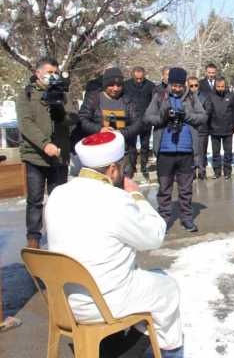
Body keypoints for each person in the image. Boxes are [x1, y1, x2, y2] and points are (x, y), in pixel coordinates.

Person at [45, 131, 183, 357]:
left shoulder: (57, 194)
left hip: (65, 301)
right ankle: (170, 353)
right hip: (104, 303)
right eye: (122, 165)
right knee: (167, 288)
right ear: (112, 169)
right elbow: (155, 236)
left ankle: (119, 349)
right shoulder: (116, 200)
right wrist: (136, 196)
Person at [16, 57, 78, 249]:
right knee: (35, 200)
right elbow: (26, 123)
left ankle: (59, 235)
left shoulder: (63, 93)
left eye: (55, 72)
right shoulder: (26, 94)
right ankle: (33, 237)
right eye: (49, 72)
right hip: (35, 156)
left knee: (58, 199)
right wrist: (44, 144)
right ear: (38, 73)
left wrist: (60, 108)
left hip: (59, 156)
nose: (53, 76)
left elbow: (72, 119)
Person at [145, 67, 207, 232]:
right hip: (165, 151)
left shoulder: (192, 98)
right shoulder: (160, 96)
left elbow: (203, 116)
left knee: (185, 189)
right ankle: (164, 219)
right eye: (174, 85)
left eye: (180, 85)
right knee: (164, 188)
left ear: (184, 84)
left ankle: (187, 218)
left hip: (186, 151)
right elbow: (148, 117)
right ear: (169, 83)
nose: (177, 89)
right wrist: (163, 117)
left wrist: (186, 115)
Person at [79, 67, 142, 179]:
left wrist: (122, 133)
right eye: (111, 85)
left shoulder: (129, 100)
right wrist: (99, 130)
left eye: (119, 85)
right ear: (104, 85)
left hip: (124, 154)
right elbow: (83, 120)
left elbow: (138, 123)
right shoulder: (93, 98)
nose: (115, 88)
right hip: (99, 154)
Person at [123, 66, 155, 178]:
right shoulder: (126, 85)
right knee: (131, 145)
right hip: (131, 121)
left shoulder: (150, 86)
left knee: (144, 145)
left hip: (146, 120)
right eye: (137, 79)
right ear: (133, 75)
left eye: (141, 79)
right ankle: (132, 166)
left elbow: (154, 102)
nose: (139, 81)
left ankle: (144, 166)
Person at [207, 77, 234, 179]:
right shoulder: (211, 96)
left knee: (228, 152)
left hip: (228, 129)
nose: (220, 88)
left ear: (225, 86)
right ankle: (217, 172)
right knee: (216, 153)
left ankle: (227, 172)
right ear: (215, 86)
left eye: (222, 86)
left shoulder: (231, 96)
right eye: (218, 86)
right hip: (215, 129)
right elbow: (208, 112)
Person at [189, 76, 212, 180]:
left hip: (202, 128)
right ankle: (192, 171)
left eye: (196, 85)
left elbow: (207, 112)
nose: (194, 87)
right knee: (191, 151)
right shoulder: (184, 98)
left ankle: (202, 171)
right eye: (191, 85)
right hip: (189, 128)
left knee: (202, 151)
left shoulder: (205, 97)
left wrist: (196, 118)